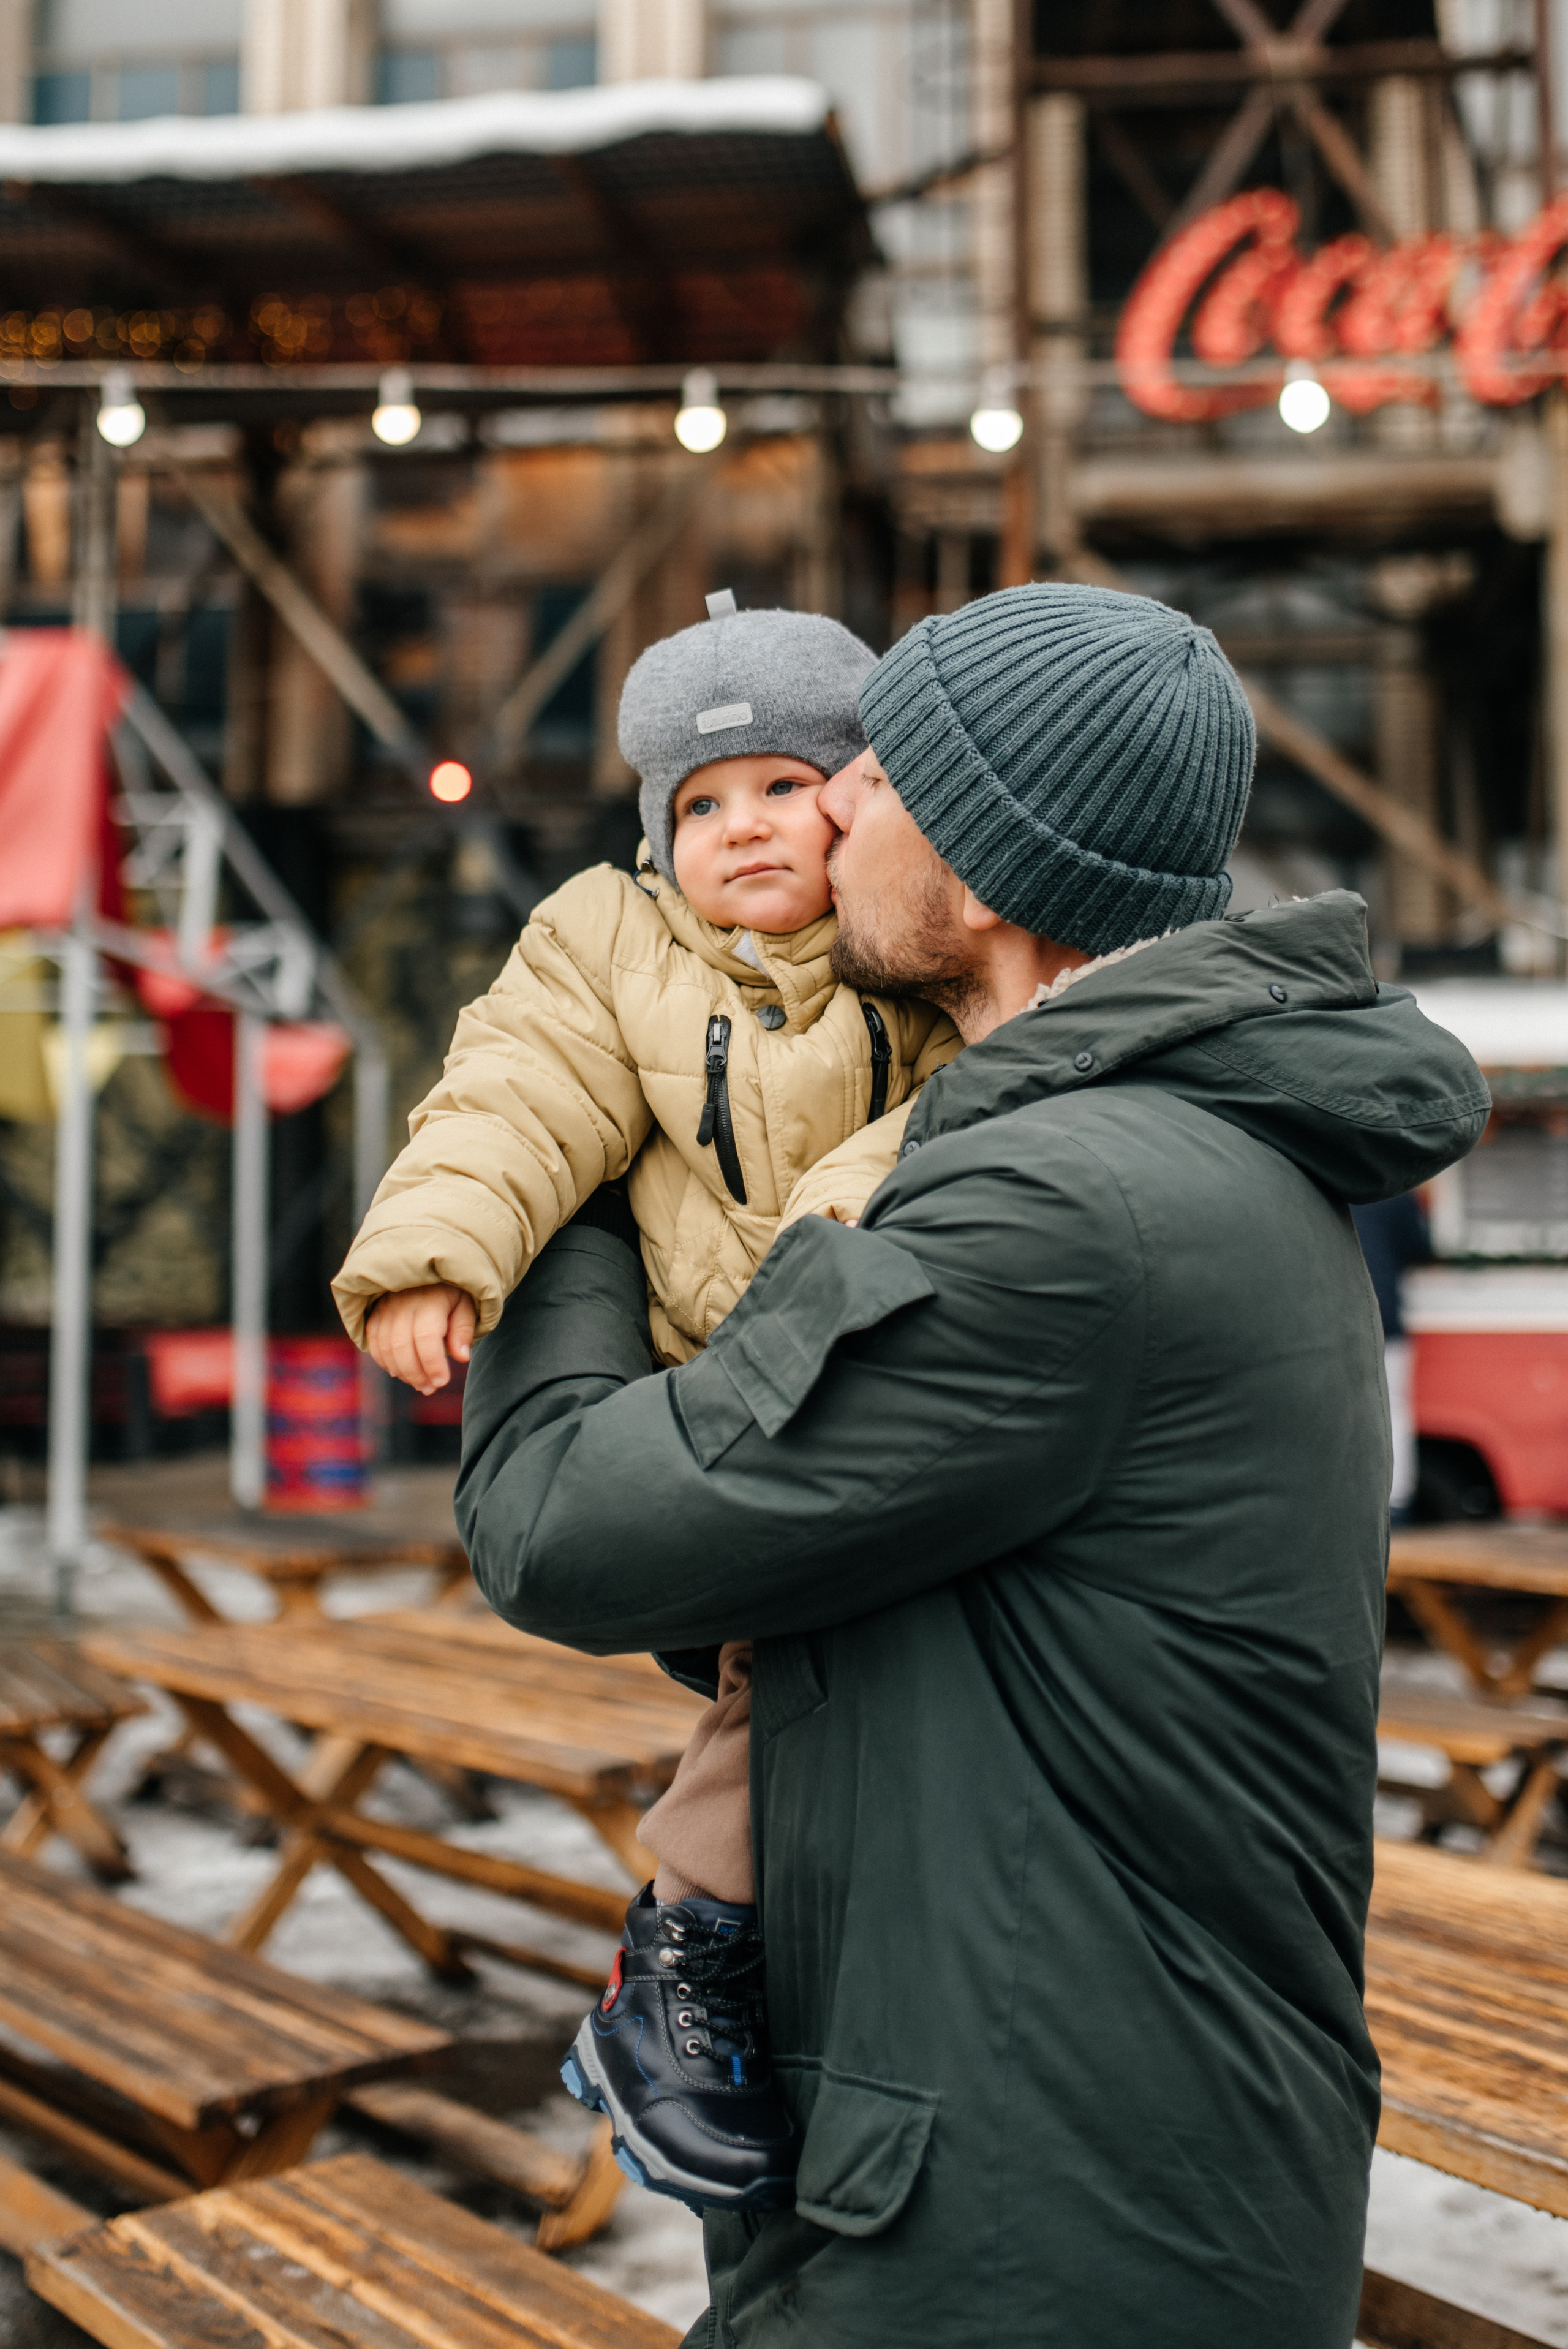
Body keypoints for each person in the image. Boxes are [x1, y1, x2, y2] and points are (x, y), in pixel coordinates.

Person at [455, 582, 1491, 2349]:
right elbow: (792, 1564)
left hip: (1029, 2225)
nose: (827, 802)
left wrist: (567, 1169)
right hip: (1041, 2157)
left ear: (992, 874)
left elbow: (570, 1525)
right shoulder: (1132, 1152)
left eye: (883, 775)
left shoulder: (1061, 1214)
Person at [331, 599, 959, 2211]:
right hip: (707, 1391)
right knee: (790, 1665)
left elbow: (965, 1124)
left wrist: (838, 1236)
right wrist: (434, 1253)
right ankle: (696, 1934)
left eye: (781, 784)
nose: (740, 827)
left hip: (864, 1364)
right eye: (699, 803)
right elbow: (515, 1093)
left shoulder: (919, 957)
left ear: (866, 798)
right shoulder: (610, 942)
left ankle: (717, 1942)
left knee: (834, 1665)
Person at [1351, 1192, 1432, 1523]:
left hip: (1332, 1318)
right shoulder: (1394, 1187)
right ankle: (1396, 1506)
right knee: (1393, 1413)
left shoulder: (1317, 1176)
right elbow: (1420, 1247)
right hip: (1385, 1316)